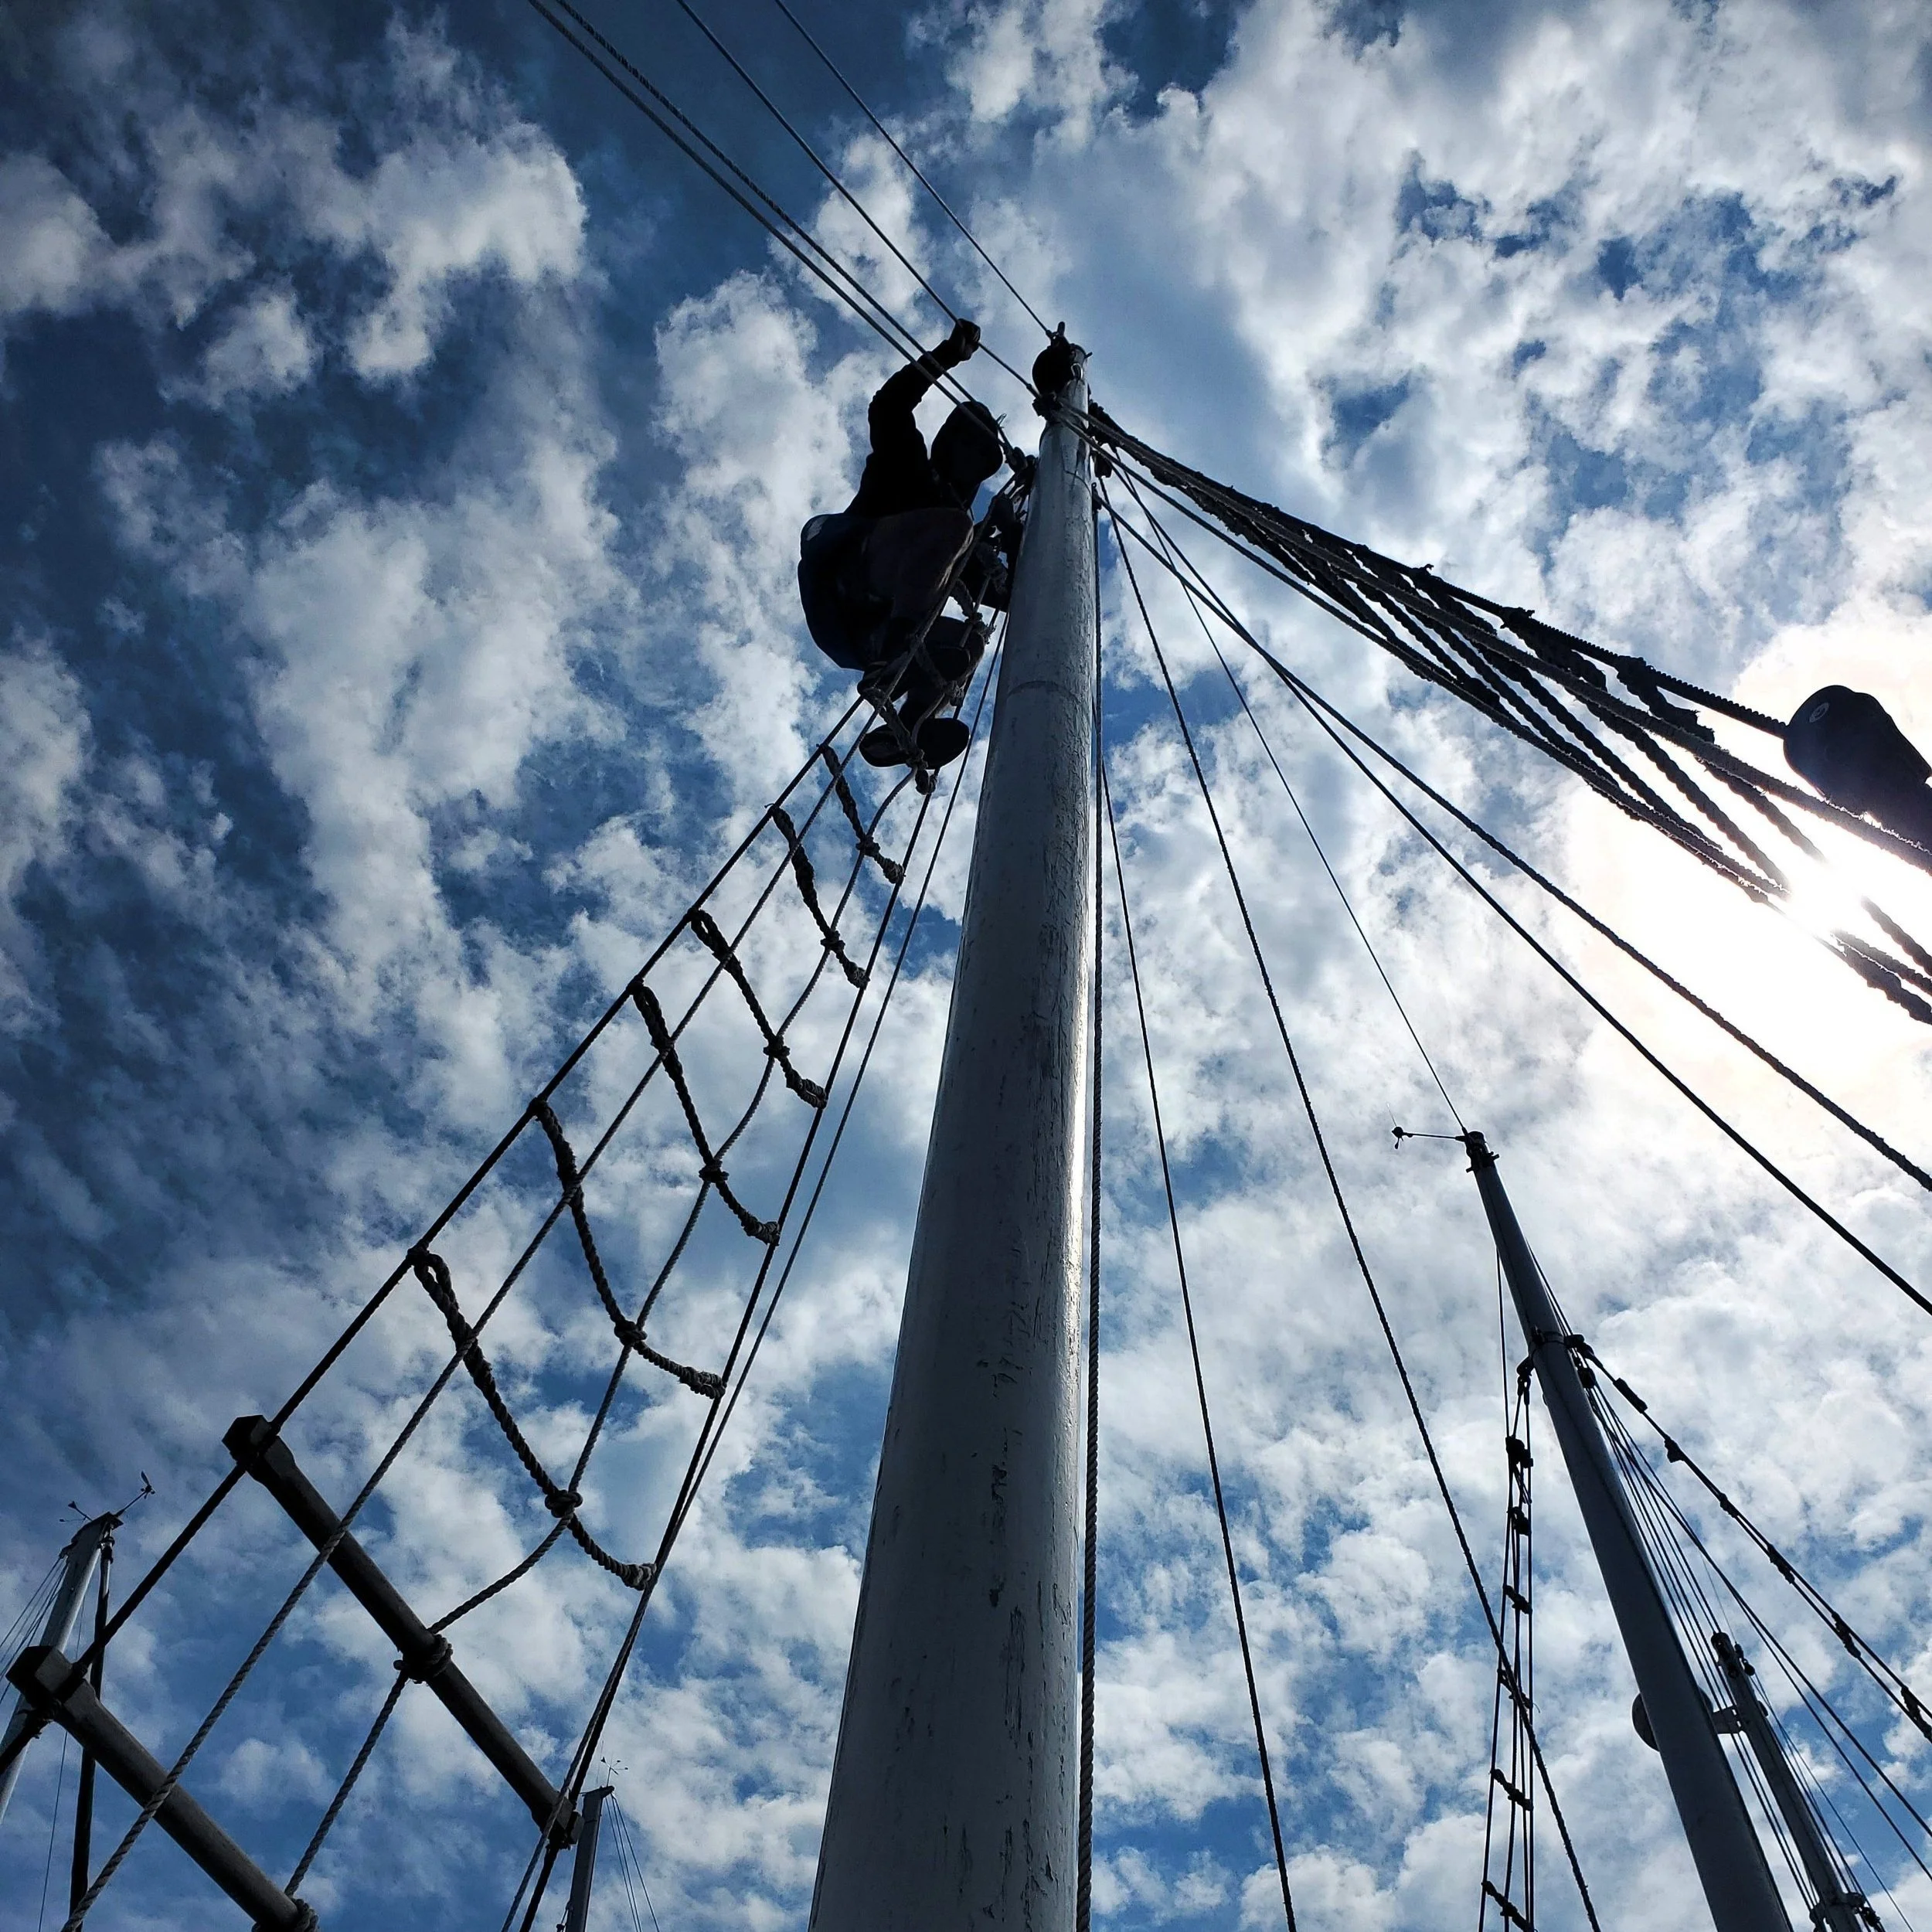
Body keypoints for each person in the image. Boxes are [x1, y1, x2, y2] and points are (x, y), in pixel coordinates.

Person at [798, 318, 1012, 767]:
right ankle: (897, 653)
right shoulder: (909, 462)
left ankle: (910, 725)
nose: (972, 466)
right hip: (847, 581)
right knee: (953, 528)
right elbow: (889, 406)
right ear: (949, 444)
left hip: (867, 636)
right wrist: (948, 355)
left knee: (972, 641)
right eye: (969, 448)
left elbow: (1005, 594)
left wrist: (1012, 533)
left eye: (983, 461)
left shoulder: (961, 536)